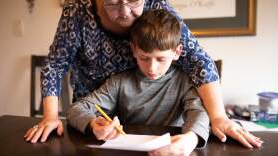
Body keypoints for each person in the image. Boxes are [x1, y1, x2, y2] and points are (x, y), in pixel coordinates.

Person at [24, 0, 263, 149]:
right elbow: (55, 66)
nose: (124, 12)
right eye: (113, 2)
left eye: (134, 1)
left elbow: (199, 63)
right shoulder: (77, 13)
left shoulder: (160, 11)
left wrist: (217, 118)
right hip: (99, 118)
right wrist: (52, 116)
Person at [67, 9, 210, 156]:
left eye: (161, 59)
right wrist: (92, 124)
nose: (152, 68)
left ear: (177, 52)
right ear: (134, 50)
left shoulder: (185, 81)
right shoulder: (119, 82)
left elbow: (198, 112)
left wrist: (191, 139)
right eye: (144, 58)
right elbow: (76, 110)